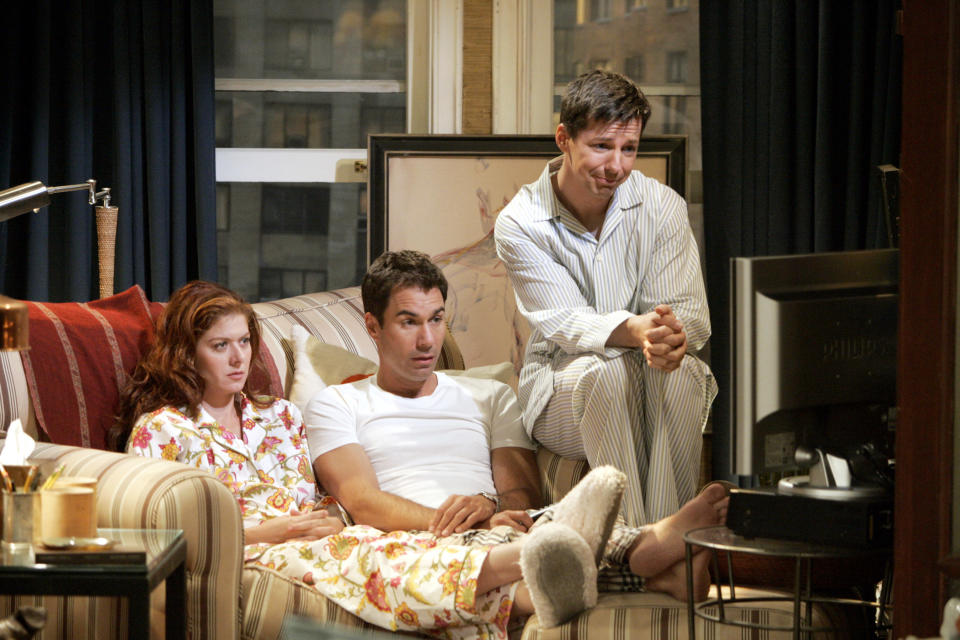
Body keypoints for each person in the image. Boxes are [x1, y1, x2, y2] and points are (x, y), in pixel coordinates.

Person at [109, 280, 718, 638]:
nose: (238, 359)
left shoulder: (279, 415)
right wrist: (279, 529)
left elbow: (323, 501)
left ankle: (626, 555)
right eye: (220, 347)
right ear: (185, 354)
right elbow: (171, 538)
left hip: (326, 535)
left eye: (245, 342)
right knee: (386, 555)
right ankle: (565, 551)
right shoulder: (161, 432)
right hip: (272, 548)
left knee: (418, 549)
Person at [305, 250, 728, 629]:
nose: (427, 340)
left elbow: (519, 490)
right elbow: (362, 501)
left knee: (546, 520)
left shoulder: (488, 394)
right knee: (501, 548)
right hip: (416, 539)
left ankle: (637, 555)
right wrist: (459, 521)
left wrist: (491, 507)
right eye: (409, 322)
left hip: (499, 527)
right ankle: (646, 555)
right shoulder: (336, 403)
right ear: (372, 327)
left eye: (436, 319)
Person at [493, 70, 717, 526]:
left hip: (645, 370)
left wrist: (673, 336)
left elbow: (689, 312)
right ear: (564, 139)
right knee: (607, 375)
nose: (617, 165)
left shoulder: (663, 206)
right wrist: (635, 330)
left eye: (628, 149)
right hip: (559, 385)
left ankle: (657, 540)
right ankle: (644, 548)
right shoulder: (520, 223)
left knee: (687, 373)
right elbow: (567, 323)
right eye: (601, 146)